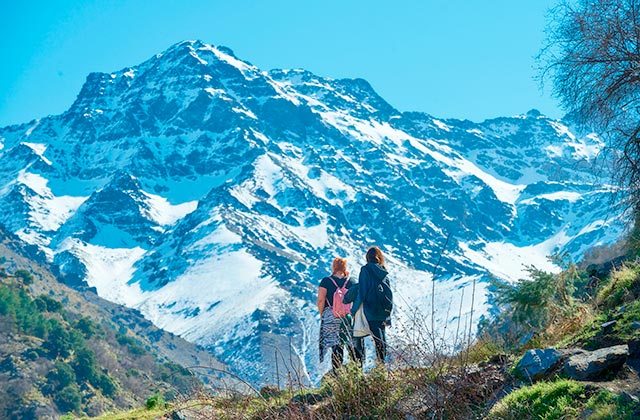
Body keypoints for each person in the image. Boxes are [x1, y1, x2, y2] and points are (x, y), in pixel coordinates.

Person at [345, 246, 393, 365]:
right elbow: (389, 294)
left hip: (370, 310)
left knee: (376, 338)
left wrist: (354, 310)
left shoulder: (365, 270)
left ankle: (380, 367)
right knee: (382, 339)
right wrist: (388, 315)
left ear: (367, 258)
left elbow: (362, 292)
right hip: (383, 311)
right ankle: (382, 365)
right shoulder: (383, 271)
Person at [318, 257, 354, 374]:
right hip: (347, 316)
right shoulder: (351, 281)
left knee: (336, 345)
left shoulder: (326, 281)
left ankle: (337, 372)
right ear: (345, 267)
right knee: (349, 342)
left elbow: (321, 300)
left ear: (334, 267)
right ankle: (355, 369)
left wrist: (322, 314)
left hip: (331, 315)